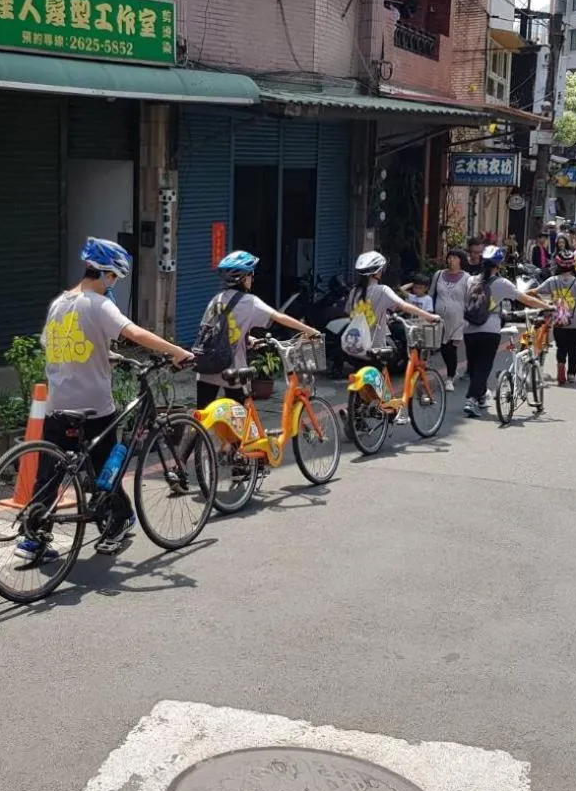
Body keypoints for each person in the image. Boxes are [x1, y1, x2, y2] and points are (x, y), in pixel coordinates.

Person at [36, 237, 192, 557]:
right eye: (115, 278)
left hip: (57, 405)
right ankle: (118, 522)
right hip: (93, 406)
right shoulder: (100, 304)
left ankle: (34, 535)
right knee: (108, 468)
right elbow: (134, 332)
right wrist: (177, 352)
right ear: (107, 273)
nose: (114, 284)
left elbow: (58, 344)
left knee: (49, 473)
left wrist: (103, 353)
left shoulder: (59, 303)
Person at [197, 250, 317, 408]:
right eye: (251, 275)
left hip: (205, 368)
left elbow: (216, 330)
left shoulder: (216, 300)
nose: (252, 279)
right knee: (241, 421)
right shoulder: (250, 302)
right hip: (232, 370)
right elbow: (279, 317)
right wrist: (309, 330)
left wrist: (246, 339)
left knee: (202, 418)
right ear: (243, 278)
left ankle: (196, 432)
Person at [462, 246, 552, 418]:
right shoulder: (502, 283)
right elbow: (526, 299)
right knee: (483, 366)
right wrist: (548, 306)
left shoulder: (471, 280)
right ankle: (472, 399)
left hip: (469, 329)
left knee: (473, 366)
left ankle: (480, 396)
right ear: (498, 265)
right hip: (490, 330)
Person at [343, 251, 440, 359]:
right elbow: (404, 306)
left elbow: (350, 313)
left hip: (356, 347)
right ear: (378, 271)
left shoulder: (354, 291)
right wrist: (430, 316)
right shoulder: (383, 290)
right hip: (374, 349)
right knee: (393, 356)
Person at [536, 250, 576, 385]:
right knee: (574, 349)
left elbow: (537, 292)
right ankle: (571, 374)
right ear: (572, 266)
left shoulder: (552, 281)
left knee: (561, 347)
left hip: (559, 319)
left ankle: (560, 366)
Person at [431, 248, 473, 386]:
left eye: (455, 257)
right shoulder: (438, 275)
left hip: (458, 319)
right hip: (439, 319)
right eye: (450, 257)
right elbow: (431, 294)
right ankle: (452, 371)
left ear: (461, 260)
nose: (451, 260)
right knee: (443, 347)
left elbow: (470, 299)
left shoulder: (467, 278)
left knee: (451, 348)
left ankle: (449, 378)